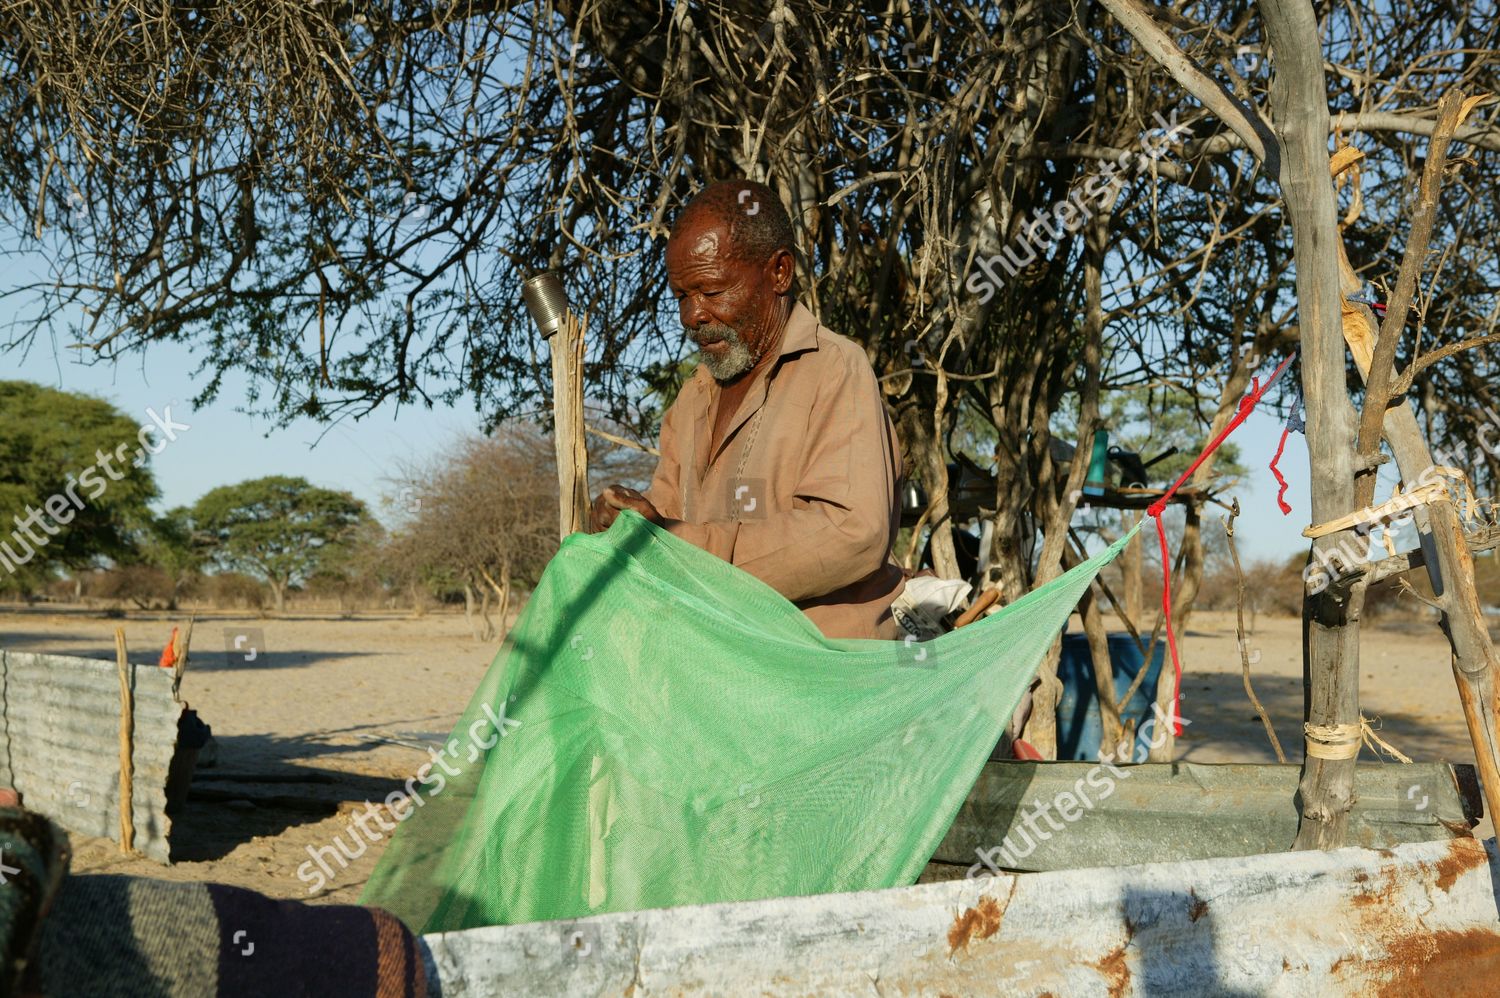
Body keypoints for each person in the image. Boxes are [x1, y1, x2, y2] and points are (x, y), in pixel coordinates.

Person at [590, 179, 904, 640]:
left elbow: (851, 534)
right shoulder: (693, 399)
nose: (691, 316)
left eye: (712, 292)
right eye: (681, 295)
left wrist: (679, 545)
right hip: (720, 673)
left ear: (778, 272)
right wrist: (627, 526)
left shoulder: (834, 369)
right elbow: (666, 521)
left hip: (818, 680)